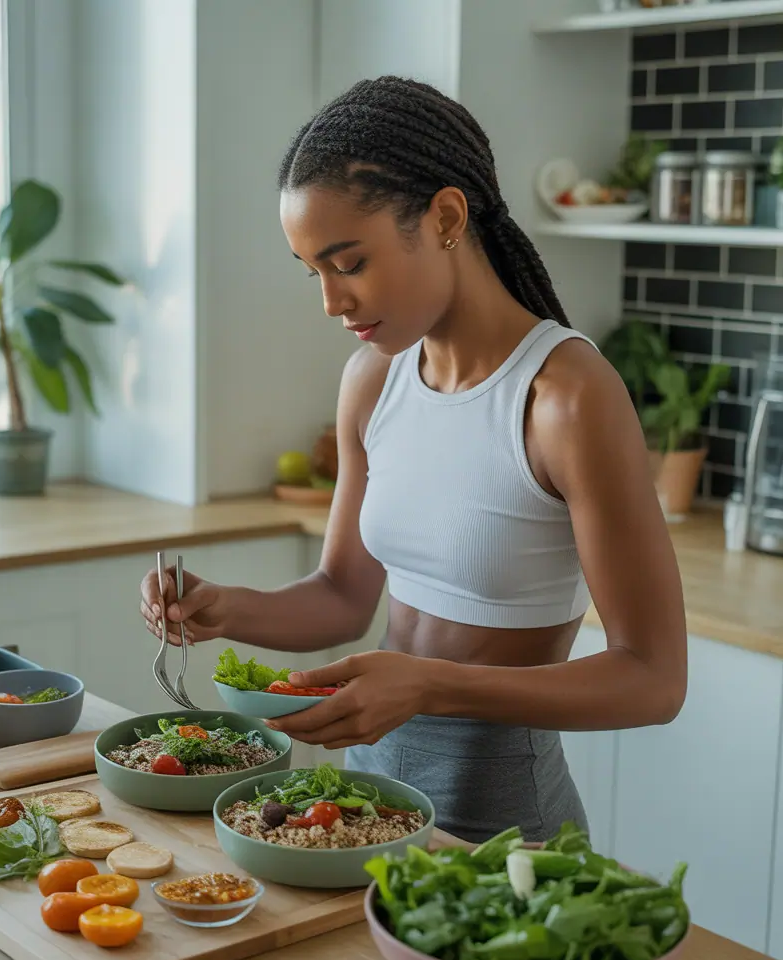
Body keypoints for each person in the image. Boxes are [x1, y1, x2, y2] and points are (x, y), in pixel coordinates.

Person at [140, 76, 686, 844]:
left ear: (446, 218)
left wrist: (427, 685)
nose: (331, 301)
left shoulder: (565, 396)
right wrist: (224, 608)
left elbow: (653, 680)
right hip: (360, 803)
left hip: (503, 818)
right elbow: (341, 594)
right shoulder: (374, 378)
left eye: (348, 262)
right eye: (314, 272)